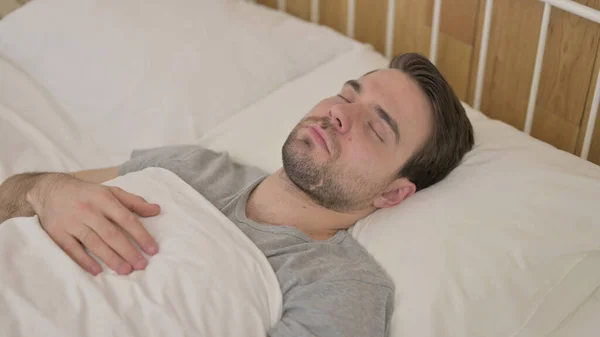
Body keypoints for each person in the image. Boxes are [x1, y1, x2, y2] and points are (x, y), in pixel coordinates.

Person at [0, 53, 474, 336]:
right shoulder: (186, 165)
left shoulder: (338, 286)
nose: (338, 115)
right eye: (347, 95)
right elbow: (9, 197)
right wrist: (47, 190)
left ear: (393, 194)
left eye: (374, 126)